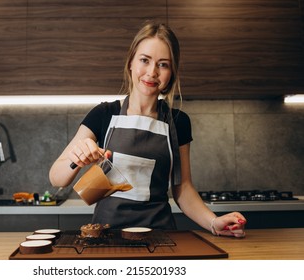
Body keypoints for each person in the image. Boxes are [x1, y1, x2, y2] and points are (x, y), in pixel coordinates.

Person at [49, 21, 246, 237]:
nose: (152, 72)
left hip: (160, 236)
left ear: (171, 72)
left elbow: (183, 189)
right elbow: (57, 178)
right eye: (145, 60)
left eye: (163, 64)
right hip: (106, 237)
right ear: (131, 62)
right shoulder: (104, 115)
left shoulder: (179, 122)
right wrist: (77, 159)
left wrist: (213, 222)